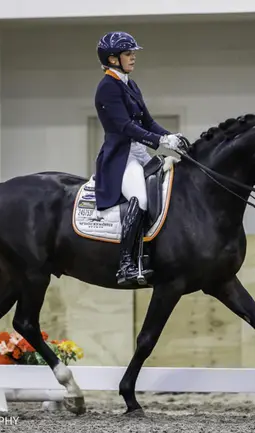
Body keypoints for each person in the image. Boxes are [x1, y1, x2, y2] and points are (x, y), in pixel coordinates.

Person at [94, 31, 183, 286]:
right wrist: (159, 143)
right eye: (128, 54)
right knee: (141, 198)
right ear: (112, 59)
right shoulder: (107, 87)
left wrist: (170, 136)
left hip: (139, 151)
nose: (133, 58)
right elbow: (124, 126)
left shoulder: (129, 84)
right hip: (121, 156)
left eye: (132, 53)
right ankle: (125, 263)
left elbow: (147, 121)